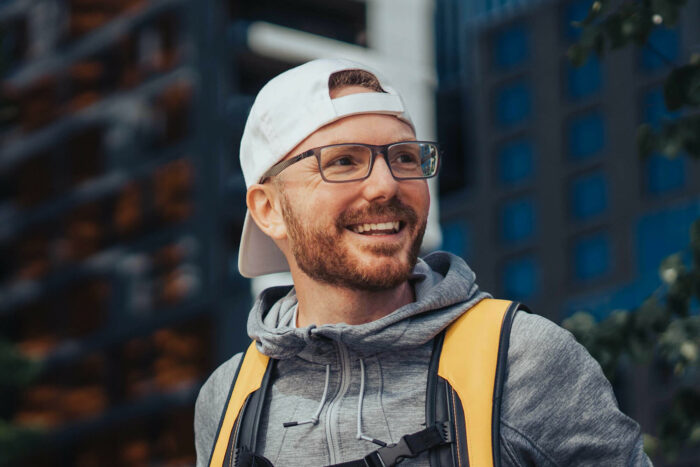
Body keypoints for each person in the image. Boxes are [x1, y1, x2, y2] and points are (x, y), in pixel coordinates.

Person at [194, 58, 651, 466]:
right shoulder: (227, 400)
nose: (386, 186)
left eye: (405, 157)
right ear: (268, 209)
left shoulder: (521, 361)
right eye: (344, 161)